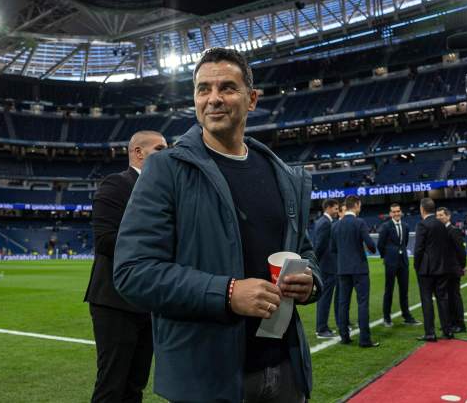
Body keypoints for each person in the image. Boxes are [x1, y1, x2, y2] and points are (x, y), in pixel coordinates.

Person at [113, 47, 322, 403]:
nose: (213, 99)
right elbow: (133, 272)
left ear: (251, 98)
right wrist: (226, 293)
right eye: (203, 89)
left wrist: (311, 282)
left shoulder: (281, 174)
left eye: (227, 87)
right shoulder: (165, 171)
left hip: (284, 368)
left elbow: (304, 251)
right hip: (206, 377)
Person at [84, 130, 167, 403]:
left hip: (148, 300)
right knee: (111, 384)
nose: (166, 153)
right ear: (138, 152)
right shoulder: (116, 184)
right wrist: (157, 242)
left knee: (135, 385)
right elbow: (105, 240)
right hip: (114, 300)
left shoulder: (164, 190)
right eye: (159, 148)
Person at [331, 195, 379, 348]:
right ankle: (364, 339)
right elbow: (371, 245)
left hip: (342, 269)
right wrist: (367, 249)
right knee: (362, 303)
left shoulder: (336, 225)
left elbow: (333, 249)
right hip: (359, 269)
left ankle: (344, 337)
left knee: (343, 303)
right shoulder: (359, 222)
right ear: (357, 205)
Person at [414, 198, 454, 341]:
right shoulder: (442, 224)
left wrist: (416, 266)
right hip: (442, 268)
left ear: (422, 209)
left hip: (427, 270)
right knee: (443, 299)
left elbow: (418, 249)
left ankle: (430, 333)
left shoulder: (422, 225)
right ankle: (447, 330)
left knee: (427, 301)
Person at [377, 203, 419, 327]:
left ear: (401, 212)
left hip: (403, 262)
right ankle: (387, 317)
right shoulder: (385, 226)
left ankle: (407, 316)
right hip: (390, 262)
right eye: (394, 212)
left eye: (398, 211)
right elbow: (380, 245)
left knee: (404, 290)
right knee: (388, 290)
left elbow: (404, 243)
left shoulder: (405, 226)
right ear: (390, 214)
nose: (396, 213)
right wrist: (387, 256)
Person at [436, 207, 467, 334]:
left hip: (453, 270)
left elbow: (461, 251)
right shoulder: (440, 231)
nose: (438, 217)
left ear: (448, 216)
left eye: (441, 215)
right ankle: (449, 323)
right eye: (437, 215)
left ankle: (460, 324)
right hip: (443, 270)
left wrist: (463, 266)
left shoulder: (453, 231)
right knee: (447, 298)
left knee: (454, 297)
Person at [313, 199, 340, 338]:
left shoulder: (322, 222)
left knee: (324, 298)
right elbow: (320, 246)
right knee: (324, 298)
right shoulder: (325, 223)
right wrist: (316, 263)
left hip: (325, 266)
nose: (337, 211)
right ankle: (321, 329)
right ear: (328, 208)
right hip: (327, 267)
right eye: (335, 208)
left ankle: (323, 326)